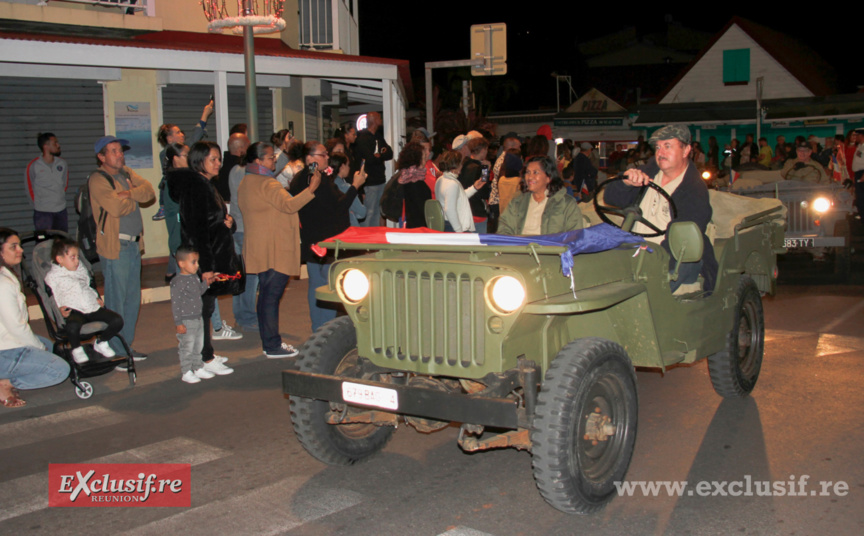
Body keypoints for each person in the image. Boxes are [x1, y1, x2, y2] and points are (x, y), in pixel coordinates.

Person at [603, 125, 718, 294]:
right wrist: (625, 183)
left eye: (668, 146)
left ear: (686, 150)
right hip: (633, 252)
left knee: (645, 292)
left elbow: (682, 240)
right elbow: (610, 198)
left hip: (672, 258)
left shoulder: (694, 189)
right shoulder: (645, 174)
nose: (660, 152)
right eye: (658, 147)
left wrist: (649, 264)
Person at [239, 142, 321, 357]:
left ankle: (270, 343)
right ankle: (273, 345)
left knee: (266, 296)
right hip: (276, 248)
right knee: (270, 298)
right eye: (269, 158)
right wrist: (311, 189)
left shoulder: (247, 181)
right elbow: (290, 205)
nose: (274, 161)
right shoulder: (268, 184)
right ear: (258, 161)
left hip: (261, 247)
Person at [167, 140, 237, 376]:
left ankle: (205, 355)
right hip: (203, 261)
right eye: (213, 159)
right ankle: (203, 359)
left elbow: (213, 220)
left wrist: (229, 222)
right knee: (200, 312)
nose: (218, 163)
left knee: (204, 311)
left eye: (219, 159)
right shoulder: (197, 186)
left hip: (210, 257)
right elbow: (197, 230)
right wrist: (205, 268)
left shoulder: (205, 183)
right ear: (199, 162)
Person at [88, 135, 155, 358]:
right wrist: (131, 196)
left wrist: (128, 193)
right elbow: (116, 208)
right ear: (101, 156)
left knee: (132, 300)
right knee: (117, 301)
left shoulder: (126, 173)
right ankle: (115, 350)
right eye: (113, 151)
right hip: (117, 247)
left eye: (120, 150)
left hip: (134, 245)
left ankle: (125, 345)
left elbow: (149, 192)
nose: (120, 154)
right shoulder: (98, 179)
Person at [289, 141, 367, 332]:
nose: (327, 158)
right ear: (310, 159)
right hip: (326, 241)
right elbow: (339, 207)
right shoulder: (317, 179)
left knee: (316, 285)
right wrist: (355, 186)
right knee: (330, 286)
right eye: (323, 154)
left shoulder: (300, 178)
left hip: (312, 239)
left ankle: (319, 329)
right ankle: (328, 331)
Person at [0, 228, 70, 408]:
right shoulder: (2, 284)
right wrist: (36, 347)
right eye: (13, 247)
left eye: (19, 246)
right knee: (60, 370)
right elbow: (17, 326)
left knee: (49, 346)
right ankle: (6, 383)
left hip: (7, 342)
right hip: (5, 350)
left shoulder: (6, 274)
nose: (20, 250)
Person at [44, 237, 123, 364]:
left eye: (77, 257)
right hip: (74, 309)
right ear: (60, 260)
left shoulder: (81, 270)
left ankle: (101, 342)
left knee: (117, 320)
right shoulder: (53, 276)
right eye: (72, 257)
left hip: (91, 306)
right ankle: (76, 349)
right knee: (72, 326)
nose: (77, 261)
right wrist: (59, 309)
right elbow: (53, 295)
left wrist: (96, 297)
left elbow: (87, 285)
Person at [155, 101, 214, 222]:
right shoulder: (166, 153)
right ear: (169, 138)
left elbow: (195, 138)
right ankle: (162, 207)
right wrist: (205, 115)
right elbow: (195, 138)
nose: (182, 134)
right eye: (177, 132)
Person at [497, 156, 583, 236]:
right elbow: (504, 228)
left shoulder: (566, 204)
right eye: (528, 172)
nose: (530, 177)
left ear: (548, 177)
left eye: (535, 172)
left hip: (550, 251)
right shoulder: (517, 202)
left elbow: (574, 236)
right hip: (521, 250)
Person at [171, 246, 217, 384]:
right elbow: (176, 304)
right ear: (181, 264)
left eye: (197, 262)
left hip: (198, 318)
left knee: (198, 345)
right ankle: (186, 371)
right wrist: (178, 323)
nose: (197, 265)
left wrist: (206, 284)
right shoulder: (178, 282)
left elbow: (198, 292)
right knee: (187, 347)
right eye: (193, 262)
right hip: (186, 320)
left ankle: (197, 367)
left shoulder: (194, 278)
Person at [354, 111, 392, 227]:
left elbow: (389, 153)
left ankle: (373, 239)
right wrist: (380, 155)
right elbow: (370, 159)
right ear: (374, 120)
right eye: (379, 118)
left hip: (380, 180)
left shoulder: (378, 137)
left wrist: (379, 155)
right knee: (369, 212)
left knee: (377, 212)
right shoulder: (362, 138)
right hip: (369, 182)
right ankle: (365, 241)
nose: (381, 120)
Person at [26, 132, 69, 233]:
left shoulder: (62, 163)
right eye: (55, 143)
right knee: (44, 244)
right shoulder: (34, 165)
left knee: (61, 242)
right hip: (43, 213)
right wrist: (40, 205)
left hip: (61, 210)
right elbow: (29, 188)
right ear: (46, 146)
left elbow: (64, 184)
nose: (58, 145)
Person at [435, 150, 485, 232]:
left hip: (447, 223)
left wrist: (474, 188)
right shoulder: (452, 183)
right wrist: (459, 231)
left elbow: (458, 197)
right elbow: (449, 209)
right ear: (456, 165)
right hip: (454, 225)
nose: (462, 165)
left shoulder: (441, 180)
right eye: (461, 163)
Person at [396, 142, 432, 229]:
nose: (425, 160)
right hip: (418, 228)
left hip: (412, 225)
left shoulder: (407, 176)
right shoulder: (415, 180)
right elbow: (421, 209)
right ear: (417, 160)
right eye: (423, 158)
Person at [329, 152, 367, 227]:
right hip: (349, 228)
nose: (349, 168)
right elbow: (362, 212)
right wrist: (356, 184)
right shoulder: (345, 187)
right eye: (348, 165)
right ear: (342, 166)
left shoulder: (327, 183)